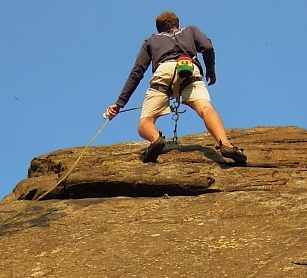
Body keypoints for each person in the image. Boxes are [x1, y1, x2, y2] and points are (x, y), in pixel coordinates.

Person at [104, 12, 247, 164]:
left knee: (145, 122)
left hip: (163, 71)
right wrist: (210, 70)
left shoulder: (151, 40)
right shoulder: (190, 31)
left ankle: (155, 140)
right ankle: (225, 144)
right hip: (188, 69)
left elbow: (137, 72)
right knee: (205, 108)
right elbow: (207, 46)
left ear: (159, 29)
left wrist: (119, 103)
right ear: (177, 24)